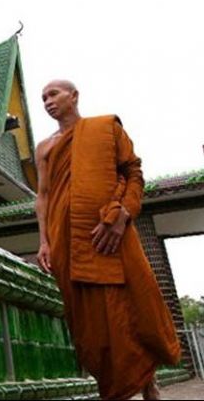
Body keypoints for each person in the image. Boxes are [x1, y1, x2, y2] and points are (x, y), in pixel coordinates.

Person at [35, 80, 181, 400]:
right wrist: (44, 242)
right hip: (67, 242)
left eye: (54, 94)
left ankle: (147, 381)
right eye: (42, 97)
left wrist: (122, 217)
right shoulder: (45, 147)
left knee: (134, 305)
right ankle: (113, 387)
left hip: (114, 233)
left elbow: (133, 173)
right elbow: (43, 195)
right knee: (92, 322)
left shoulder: (105, 128)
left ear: (74, 96)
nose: (47, 101)